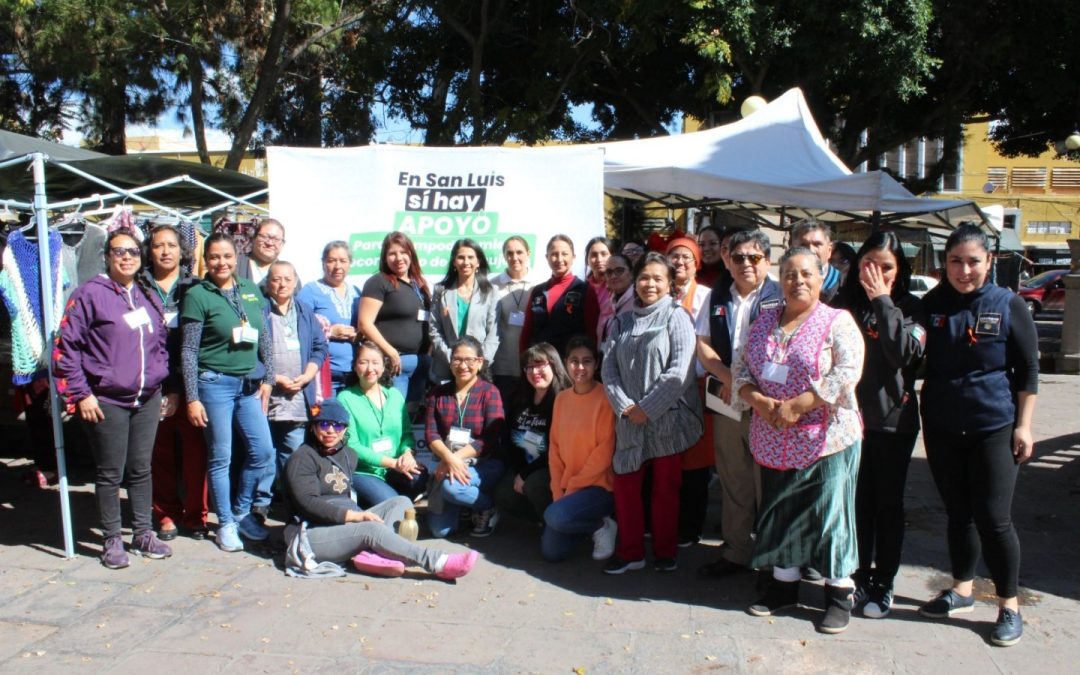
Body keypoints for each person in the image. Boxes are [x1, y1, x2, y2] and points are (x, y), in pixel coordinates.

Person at [916, 224, 1038, 648]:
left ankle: (1009, 605)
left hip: (994, 425)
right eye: (955, 261)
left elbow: (1028, 371)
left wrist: (1024, 424)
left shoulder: (1008, 305)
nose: (964, 270)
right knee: (957, 513)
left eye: (973, 261)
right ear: (943, 263)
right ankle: (962, 591)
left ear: (989, 262)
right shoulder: (932, 304)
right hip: (943, 424)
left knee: (994, 518)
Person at [732, 247, 864, 634]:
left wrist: (802, 404)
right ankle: (784, 586)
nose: (798, 281)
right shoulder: (764, 320)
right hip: (773, 436)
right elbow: (740, 368)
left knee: (830, 517)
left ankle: (839, 594)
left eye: (806, 274)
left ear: (821, 278)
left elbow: (847, 371)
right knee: (782, 511)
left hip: (827, 439)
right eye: (789, 274)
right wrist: (756, 398)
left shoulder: (837, 321)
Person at [54, 227, 172, 568]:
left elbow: (160, 341)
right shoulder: (90, 294)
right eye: (119, 251)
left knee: (140, 468)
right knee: (109, 472)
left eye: (133, 252)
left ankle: (142, 532)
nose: (126, 257)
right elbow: (66, 348)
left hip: (147, 398)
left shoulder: (146, 293)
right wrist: (81, 394)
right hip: (107, 399)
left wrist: (159, 376)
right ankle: (110, 540)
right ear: (107, 256)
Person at [283, 399, 478, 580]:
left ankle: (373, 553)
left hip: (343, 523)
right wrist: (354, 516)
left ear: (345, 429)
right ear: (314, 427)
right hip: (310, 532)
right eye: (324, 424)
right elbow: (307, 503)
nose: (331, 430)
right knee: (371, 529)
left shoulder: (348, 454)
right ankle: (437, 562)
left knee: (402, 502)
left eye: (338, 425)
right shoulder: (302, 458)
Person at [836, 231, 926, 619]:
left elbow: (902, 352)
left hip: (894, 422)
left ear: (899, 270)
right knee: (856, 503)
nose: (876, 274)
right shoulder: (845, 304)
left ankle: (883, 581)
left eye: (886, 267)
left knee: (887, 504)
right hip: (849, 420)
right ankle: (855, 576)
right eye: (868, 265)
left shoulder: (912, 307)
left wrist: (883, 300)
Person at [601, 252, 702, 574]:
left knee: (665, 490)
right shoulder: (621, 321)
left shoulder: (677, 316)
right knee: (627, 485)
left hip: (667, 419)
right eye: (645, 277)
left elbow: (680, 371)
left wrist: (649, 408)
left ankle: (664, 551)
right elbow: (608, 369)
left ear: (670, 283)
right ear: (635, 280)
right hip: (629, 418)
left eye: (658, 278)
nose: (650, 284)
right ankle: (631, 552)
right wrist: (625, 406)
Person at [181, 232, 276, 552]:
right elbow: (189, 351)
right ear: (206, 260)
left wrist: (269, 378)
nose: (221, 262)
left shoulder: (250, 290)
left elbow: (264, 339)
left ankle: (242, 510)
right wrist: (192, 397)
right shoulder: (198, 294)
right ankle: (226, 523)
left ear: (237, 258)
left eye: (227, 256)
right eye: (214, 257)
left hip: (249, 386)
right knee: (221, 456)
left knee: (263, 452)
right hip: (215, 385)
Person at [695, 229, 782, 576]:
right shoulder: (716, 294)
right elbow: (703, 345)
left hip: (767, 402)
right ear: (728, 260)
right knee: (734, 478)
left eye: (754, 257)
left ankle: (772, 556)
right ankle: (735, 551)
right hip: (727, 398)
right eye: (738, 257)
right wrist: (732, 380)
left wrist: (754, 390)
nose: (746, 263)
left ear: (767, 261)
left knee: (768, 482)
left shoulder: (782, 295)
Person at [144, 224, 209, 542]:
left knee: (197, 454)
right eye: (159, 245)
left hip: (189, 384)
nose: (166, 251)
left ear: (183, 251)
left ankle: (196, 515)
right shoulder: (139, 286)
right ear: (150, 250)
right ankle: (165, 513)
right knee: (160, 453)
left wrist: (184, 390)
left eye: (171, 245)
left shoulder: (196, 286)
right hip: (151, 383)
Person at [255, 261, 328, 520]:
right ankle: (261, 503)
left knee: (293, 454)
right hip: (265, 395)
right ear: (268, 283)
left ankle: (293, 502)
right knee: (264, 453)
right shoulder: (258, 310)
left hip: (297, 397)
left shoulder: (304, 310)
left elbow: (320, 347)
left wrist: (309, 374)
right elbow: (248, 354)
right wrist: (273, 377)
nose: (282, 284)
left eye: (287, 278)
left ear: (296, 281)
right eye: (276, 279)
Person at [544, 336, 617, 562]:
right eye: (574, 361)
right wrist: (558, 492)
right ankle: (587, 527)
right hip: (568, 489)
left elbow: (604, 454)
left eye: (587, 361)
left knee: (555, 516)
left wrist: (571, 488)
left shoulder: (607, 398)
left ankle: (603, 525)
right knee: (552, 552)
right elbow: (554, 450)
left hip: (598, 488)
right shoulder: (562, 399)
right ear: (566, 363)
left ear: (596, 364)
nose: (580, 367)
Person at [424, 336, 506, 538]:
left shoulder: (490, 392)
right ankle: (466, 507)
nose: (463, 365)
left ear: (479, 362)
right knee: (440, 531)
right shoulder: (438, 393)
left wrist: (454, 459)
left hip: (484, 462)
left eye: (469, 360)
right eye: (457, 359)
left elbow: (490, 438)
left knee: (452, 489)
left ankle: (487, 507)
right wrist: (448, 458)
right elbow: (431, 433)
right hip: (449, 460)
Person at [338, 341, 428, 506]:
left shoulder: (395, 396)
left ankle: (383, 504)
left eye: (375, 363)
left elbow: (407, 434)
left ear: (383, 366)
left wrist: (407, 454)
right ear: (355, 366)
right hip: (364, 471)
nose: (370, 369)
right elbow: (353, 446)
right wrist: (393, 463)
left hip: (395, 468)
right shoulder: (345, 398)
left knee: (419, 476)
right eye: (363, 362)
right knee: (393, 503)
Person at [666, 236, 713, 546]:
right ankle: (666, 523)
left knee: (695, 463)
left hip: (695, 387)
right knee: (667, 460)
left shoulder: (707, 296)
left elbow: (706, 344)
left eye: (686, 257)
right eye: (674, 256)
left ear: (697, 263)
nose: (680, 262)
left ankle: (691, 527)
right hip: (663, 389)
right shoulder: (656, 292)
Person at [493, 342, 571, 522]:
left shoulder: (565, 399)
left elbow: (557, 448)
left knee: (534, 485)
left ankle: (553, 522)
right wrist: (519, 471)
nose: (534, 372)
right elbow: (511, 440)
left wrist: (525, 474)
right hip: (525, 464)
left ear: (554, 365)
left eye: (540, 365)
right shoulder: (520, 398)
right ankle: (538, 517)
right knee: (502, 493)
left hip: (551, 467)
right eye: (529, 367)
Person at [358, 232, 432, 412]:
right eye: (392, 253)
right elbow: (364, 323)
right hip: (395, 365)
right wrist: (390, 352)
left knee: (410, 417)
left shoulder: (419, 285)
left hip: (420, 364)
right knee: (392, 415)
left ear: (411, 254)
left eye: (403, 252)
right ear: (385, 257)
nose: (398, 258)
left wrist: (428, 354)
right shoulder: (378, 282)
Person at [428, 238, 500, 383]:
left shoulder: (491, 292)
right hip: (446, 367)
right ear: (454, 262)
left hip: (478, 369)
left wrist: (479, 361)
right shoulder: (441, 291)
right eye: (461, 257)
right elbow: (434, 329)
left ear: (478, 262)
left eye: (470, 257)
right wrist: (453, 358)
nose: (466, 262)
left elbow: (494, 333)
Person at [296, 241, 360, 395]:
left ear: (350, 264)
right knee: (328, 418)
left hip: (355, 373)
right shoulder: (310, 291)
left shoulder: (357, 292)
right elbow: (298, 327)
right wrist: (330, 332)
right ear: (323, 263)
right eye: (331, 261)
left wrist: (358, 334)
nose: (338, 266)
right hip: (325, 372)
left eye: (343, 261)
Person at [520, 235, 599, 357]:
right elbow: (527, 332)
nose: (559, 259)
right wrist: (523, 362)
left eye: (564, 254)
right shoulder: (537, 291)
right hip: (540, 364)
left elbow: (592, 333)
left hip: (570, 365)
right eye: (554, 254)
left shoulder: (585, 290)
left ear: (573, 257)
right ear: (547, 257)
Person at [490, 235, 538, 401]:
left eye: (519, 252)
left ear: (528, 253)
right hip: (503, 366)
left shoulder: (539, 284)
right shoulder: (492, 286)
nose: (515, 257)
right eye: (509, 253)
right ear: (504, 256)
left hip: (533, 365)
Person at [791, 219, 841, 304]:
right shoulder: (786, 283)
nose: (811, 250)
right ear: (793, 249)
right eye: (804, 245)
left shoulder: (844, 284)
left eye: (817, 244)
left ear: (829, 250)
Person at [596, 253, 634, 343]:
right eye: (609, 272)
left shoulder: (639, 301)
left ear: (631, 273)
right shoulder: (606, 304)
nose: (613, 276)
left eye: (619, 270)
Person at [237, 219, 286, 285]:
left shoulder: (287, 273)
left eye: (276, 239)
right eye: (265, 237)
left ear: (282, 244)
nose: (270, 243)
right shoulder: (235, 264)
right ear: (254, 238)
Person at [584, 236, 613, 318]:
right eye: (594, 255)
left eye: (604, 254)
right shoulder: (583, 289)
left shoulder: (620, 285)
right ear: (587, 260)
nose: (599, 259)